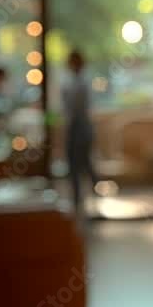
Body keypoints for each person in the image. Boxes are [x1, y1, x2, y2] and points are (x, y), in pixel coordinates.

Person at [62, 49, 97, 215]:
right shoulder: (75, 82)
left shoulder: (81, 83)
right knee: (82, 164)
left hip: (79, 128)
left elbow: (76, 109)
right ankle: (81, 197)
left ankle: (81, 199)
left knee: (79, 164)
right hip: (79, 128)